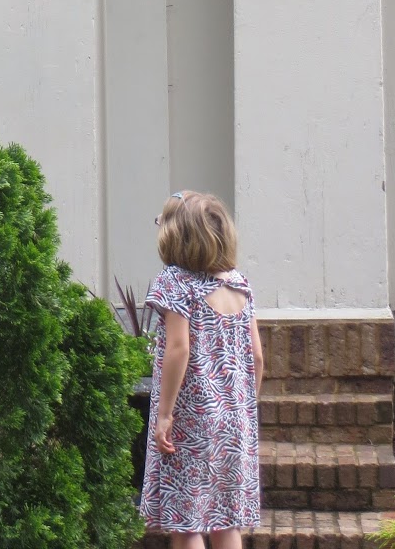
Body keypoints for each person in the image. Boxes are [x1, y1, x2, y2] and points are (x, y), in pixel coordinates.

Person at [140, 190, 264, 549]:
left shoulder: (175, 282)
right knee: (226, 519)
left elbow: (179, 349)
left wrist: (165, 414)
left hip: (191, 419)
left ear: (176, 235)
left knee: (187, 521)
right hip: (234, 420)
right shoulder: (239, 283)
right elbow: (257, 357)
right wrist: (243, 407)